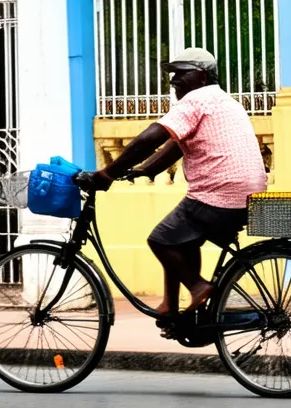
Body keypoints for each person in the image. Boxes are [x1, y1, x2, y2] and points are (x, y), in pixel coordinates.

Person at [88, 48, 267, 326]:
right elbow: (174, 147)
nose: (174, 80)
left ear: (202, 75)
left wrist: (108, 173)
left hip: (218, 194)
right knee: (180, 239)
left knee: (160, 239)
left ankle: (198, 287)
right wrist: (144, 170)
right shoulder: (224, 101)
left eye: (181, 73)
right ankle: (171, 306)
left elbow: (151, 137)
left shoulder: (198, 99)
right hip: (244, 194)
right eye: (173, 74)